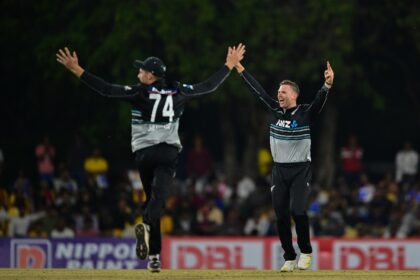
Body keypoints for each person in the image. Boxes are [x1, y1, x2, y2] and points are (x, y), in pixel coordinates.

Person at [56, 44, 245, 272]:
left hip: (145, 154)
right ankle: (148, 233)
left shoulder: (138, 92)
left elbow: (106, 89)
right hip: (168, 153)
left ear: (150, 75)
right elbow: (208, 86)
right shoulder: (178, 90)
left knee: (151, 200)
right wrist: (228, 66)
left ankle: (154, 255)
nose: (138, 74)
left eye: (141, 71)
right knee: (157, 201)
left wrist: (77, 70)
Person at [233, 60, 334, 272]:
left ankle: (305, 251)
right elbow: (257, 91)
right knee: (280, 215)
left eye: (283, 92)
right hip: (279, 171)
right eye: (278, 92)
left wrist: (326, 85)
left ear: (294, 95)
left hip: (300, 170)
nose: (279, 95)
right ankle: (289, 256)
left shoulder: (305, 113)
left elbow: (318, 102)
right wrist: (241, 69)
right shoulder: (274, 110)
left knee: (298, 211)